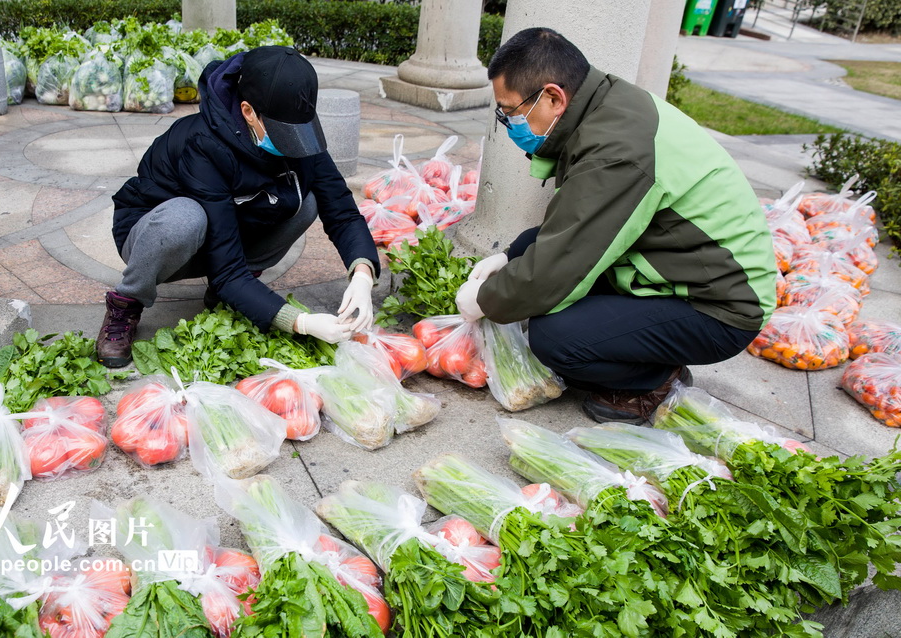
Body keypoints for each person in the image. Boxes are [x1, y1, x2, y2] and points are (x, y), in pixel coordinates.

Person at [455, 27, 776, 424]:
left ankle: (656, 377)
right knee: (550, 291)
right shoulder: (606, 107)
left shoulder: (617, 150)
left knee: (557, 339)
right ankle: (644, 352)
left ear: (554, 98)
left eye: (512, 112)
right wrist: (509, 256)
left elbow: (559, 265)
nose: (508, 124)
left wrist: (486, 301)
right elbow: (578, 223)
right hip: (680, 267)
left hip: (720, 308)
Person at [99, 46, 379, 367]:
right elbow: (226, 268)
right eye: (283, 134)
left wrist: (362, 274)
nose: (293, 145)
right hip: (155, 235)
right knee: (186, 220)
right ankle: (126, 303)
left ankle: (231, 296)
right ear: (248, 112)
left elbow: (341, 209)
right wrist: (299, 321)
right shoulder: (203, 144)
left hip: (223, 228)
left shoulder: (297, 130)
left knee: (308, 200)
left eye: (297, 133)